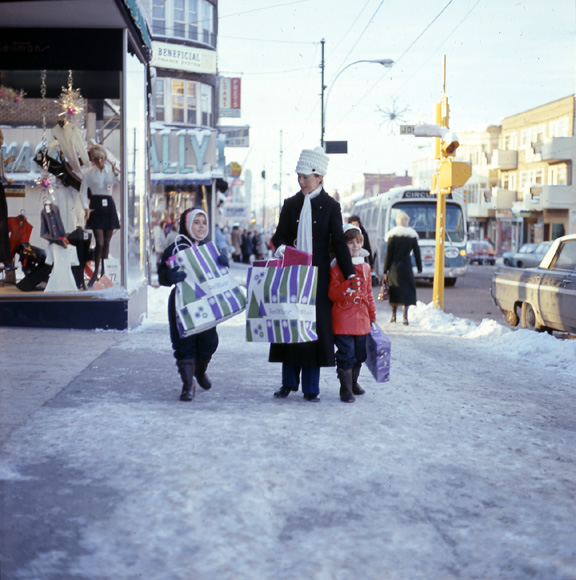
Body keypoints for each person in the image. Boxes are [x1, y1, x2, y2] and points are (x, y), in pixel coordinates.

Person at [271, 146, 355, 402]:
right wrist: (284, 247)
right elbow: (279, 236)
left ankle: (311, 388)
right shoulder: (291, 204)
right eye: (298, 176)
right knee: (291, 330)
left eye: (305, 176)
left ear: (319, 177)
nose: (301, 181)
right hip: (292, 276)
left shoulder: (331, 206)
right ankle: (288, 383)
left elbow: (339, 242)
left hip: (318, 281)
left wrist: (350, 273)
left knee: (312, 333)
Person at [157, 208, 229, 402]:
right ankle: (187, 385)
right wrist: (169, 276)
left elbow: (220, 277)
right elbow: (162, 277)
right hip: (181, 303)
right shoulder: (174, 249)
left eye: (203, 222)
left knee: (209, 342)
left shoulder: (210, 249)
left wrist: (223, 264)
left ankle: (200, 371)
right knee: (184, 343)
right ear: (187, 225)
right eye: (196, 222)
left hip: (206, 303)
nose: (200, 226)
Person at [329, 224, 376, 403]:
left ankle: (353, 382)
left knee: (360, 354)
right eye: (350, 242)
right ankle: (345, 389)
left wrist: (372, 312)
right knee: (346, 354)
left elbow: (369, 293)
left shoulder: (365, 267)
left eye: (358, 242)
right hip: (343, 318)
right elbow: (332, 294)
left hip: (361, 317)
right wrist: (345, 286)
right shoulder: (336, 268)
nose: (355, 246)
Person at [81, 145, 120, 287]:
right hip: (96, 205)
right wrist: (86, 207)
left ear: (106, 158)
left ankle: (104, 273)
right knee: (100, 242)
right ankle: (95, 273)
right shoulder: (89, 173)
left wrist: (115, 173)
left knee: (107, 243)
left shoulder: (111, 172)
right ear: (94, 160)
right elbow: (83, 191)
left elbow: (121, 182)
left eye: (103, 158)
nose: (100, 161)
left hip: (109, 205)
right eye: (97, 159)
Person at [383, 211, 422, 325]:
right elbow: (417, 253)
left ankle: (393, 316)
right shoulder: (412, 235)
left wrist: (385, 270)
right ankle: (405, 317)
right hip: (406, 266)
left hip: (394, 267)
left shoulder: (392, 235)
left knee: (395, 290)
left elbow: (388, 254)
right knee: (407, 291)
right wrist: (419, 267)